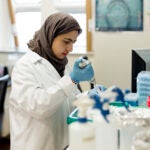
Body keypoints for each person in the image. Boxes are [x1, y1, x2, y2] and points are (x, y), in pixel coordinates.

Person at [9, 12, 94, 150]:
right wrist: (71, 80)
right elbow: (39, 107)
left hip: (61, 143)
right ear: (50, 35)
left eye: (73, 42)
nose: (70, 48)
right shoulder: (24, 66)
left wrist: (88, 97)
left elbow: (69, 99)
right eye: (66, 41)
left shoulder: (62, 64)